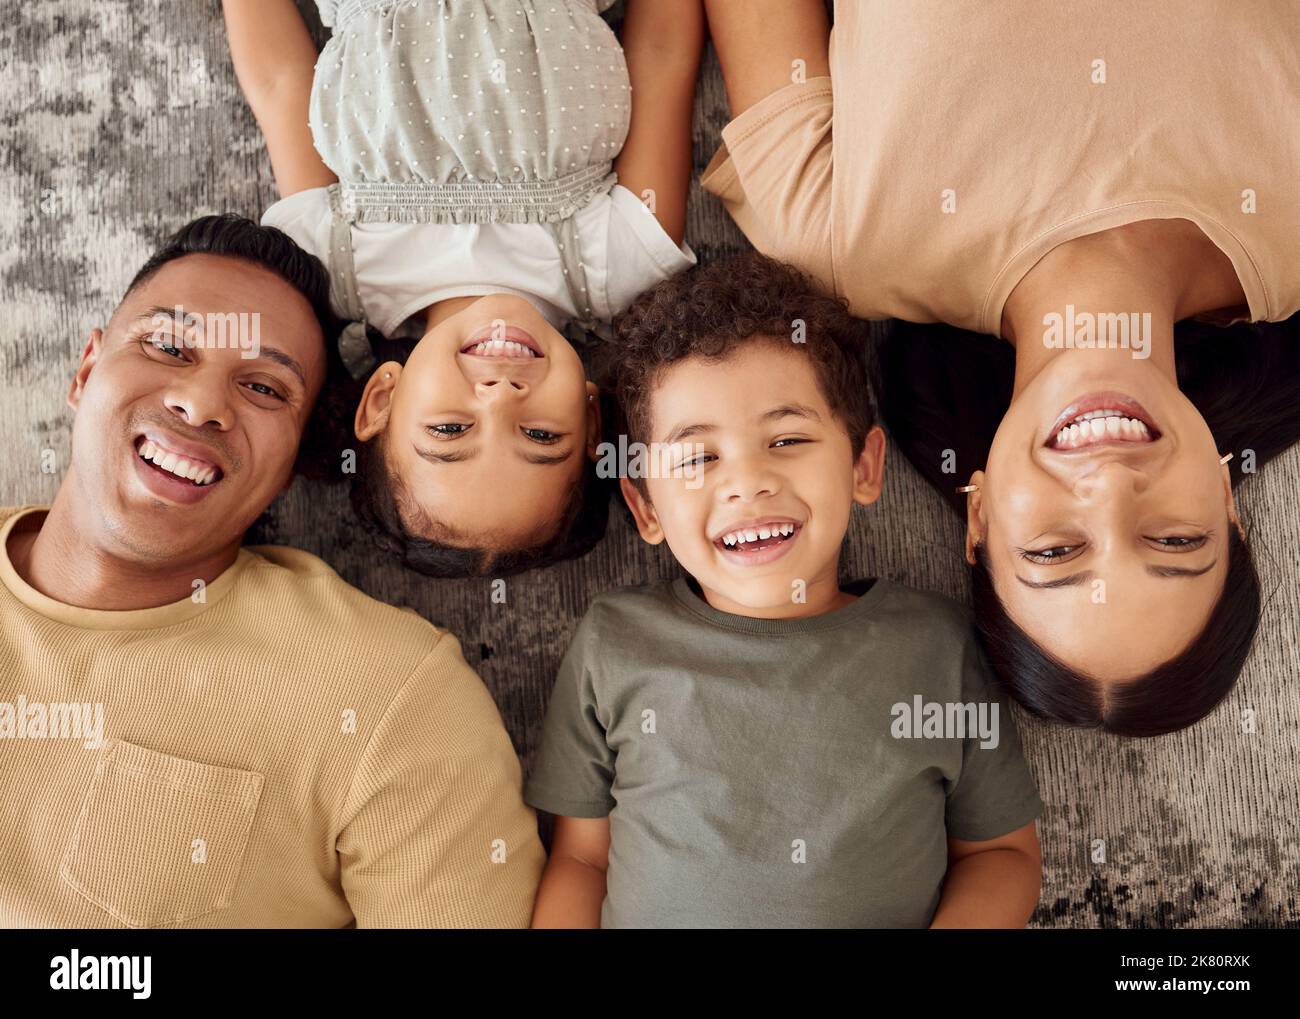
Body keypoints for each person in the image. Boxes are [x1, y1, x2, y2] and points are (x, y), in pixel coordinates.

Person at [697, 0, 1300, 734]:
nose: (1111, 485)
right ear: (1230, 510)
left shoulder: (837, 241)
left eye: (1055, 548)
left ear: (979, 515)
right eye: (1175, 539)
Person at [0, 215, 545, 927]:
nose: (200, 403)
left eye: (263, 388)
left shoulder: (390, 695)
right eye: (167, 345)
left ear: (292, 464)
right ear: (85, 370)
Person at [525, 255, 1043, 928]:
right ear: (645, 506)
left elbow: (1003, 853)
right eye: (698, 457)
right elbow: (580, 861)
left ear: (864, 465)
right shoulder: (613, 643)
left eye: (788, 437)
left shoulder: (937, 645)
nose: (748, 480)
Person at [222, 0, 705, 576]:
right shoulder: (619, 261)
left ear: (382, 399)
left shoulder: (333, 263)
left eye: (450, 429)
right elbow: (661, 56)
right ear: (592, 414)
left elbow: (280, 86)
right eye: (541, 435)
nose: (502, 395)